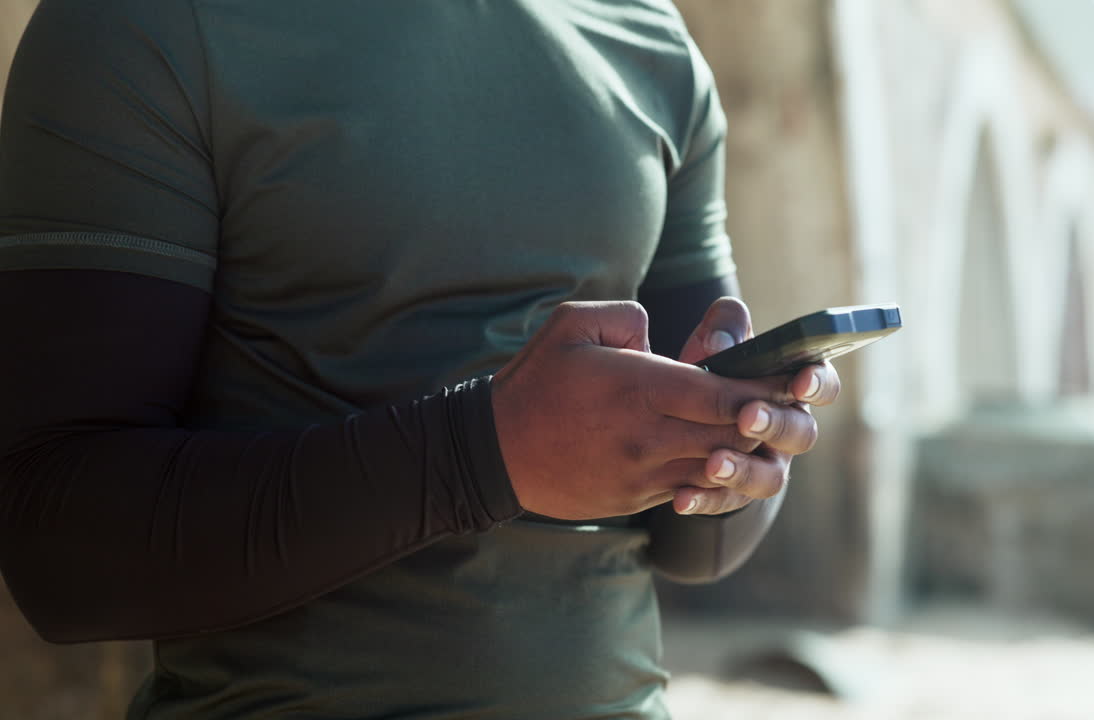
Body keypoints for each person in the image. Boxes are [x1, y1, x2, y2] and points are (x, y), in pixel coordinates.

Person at [0, 0, 840, 717]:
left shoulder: (644, 31)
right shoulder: (141, 23)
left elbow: (694, 550)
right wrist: (476, 453)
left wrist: (737, 442)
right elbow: (57, 553)